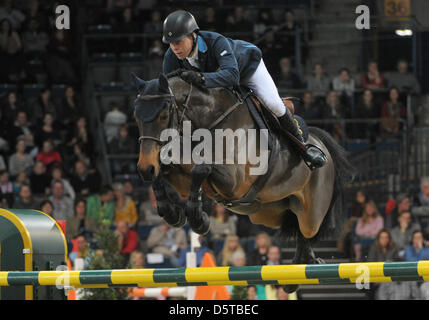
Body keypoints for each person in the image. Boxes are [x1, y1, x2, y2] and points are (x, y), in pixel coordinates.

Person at [161, 10, 327, 170]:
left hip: (247, 70)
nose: (174, 47)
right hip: (216, 85)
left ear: (193, 35)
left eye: (178, 41)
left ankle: (303, 148)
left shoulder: (216, 41)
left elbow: (233, 76)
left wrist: (201, 78)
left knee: (273, 104)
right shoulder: (171, 57)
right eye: (171, 43)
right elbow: (170, 91)